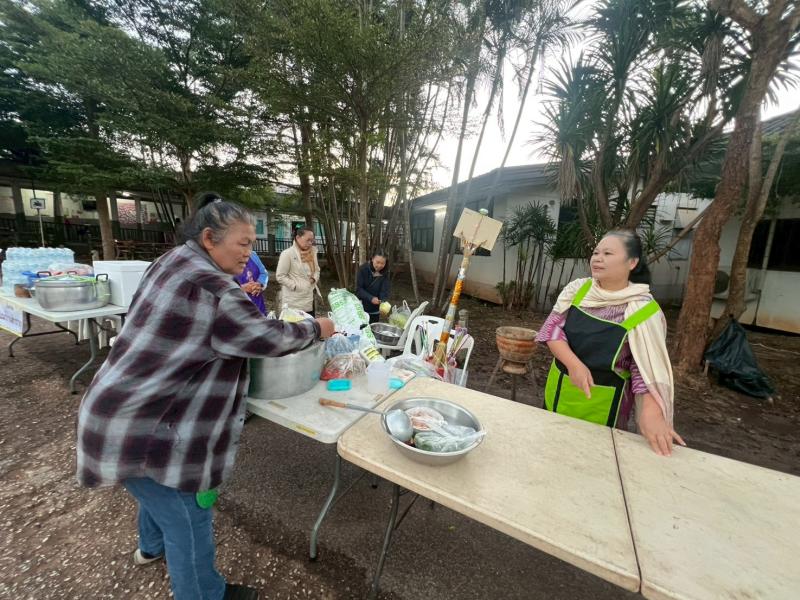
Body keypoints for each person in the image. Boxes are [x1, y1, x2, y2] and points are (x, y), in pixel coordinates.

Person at [76, 192, 335, 600]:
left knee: (155, 487)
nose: (249, 254)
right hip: (140, 425)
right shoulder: (217, 290)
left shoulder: (172, 259)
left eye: (252, 244)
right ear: (210, 238)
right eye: (243, 243)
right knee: (187, 517)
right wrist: (318, 328)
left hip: (119, 407)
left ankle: (150, 548)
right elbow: (263, 337)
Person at [536, 229, 685, 456]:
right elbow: (551, 330)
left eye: (607, 253)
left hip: (606, 403)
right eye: (596, 252)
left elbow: (644, 368)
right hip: (559, 389)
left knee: (595, 457)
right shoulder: (578, 290)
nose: (597, 258)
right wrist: (574, 365)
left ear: (632, 262)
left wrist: (652, 413)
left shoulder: (643, 310)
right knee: (549, 449)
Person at [275, 226, 320, 316]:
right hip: (293, 299)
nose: (310, 243)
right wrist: (295, 286)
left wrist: (314, 279)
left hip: (309, 297)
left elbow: (317, 270)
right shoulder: (287, 254)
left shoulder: (312, 252)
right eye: (308, 240)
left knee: (310, 322)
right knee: (294, 323)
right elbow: (280, 276)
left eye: (312, 241)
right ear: (298, 237)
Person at [355, 251, 390, 324]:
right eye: (378, 262)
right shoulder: (363, 269)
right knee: (362, 327)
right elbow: (359, 289)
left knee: (373, 326)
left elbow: (384, 289)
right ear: (372, 259)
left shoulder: (385, 272)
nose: (380, 265)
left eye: (383, 263)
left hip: (375, 308)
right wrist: (370, 298)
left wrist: (383, 302)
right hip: (362, 307)